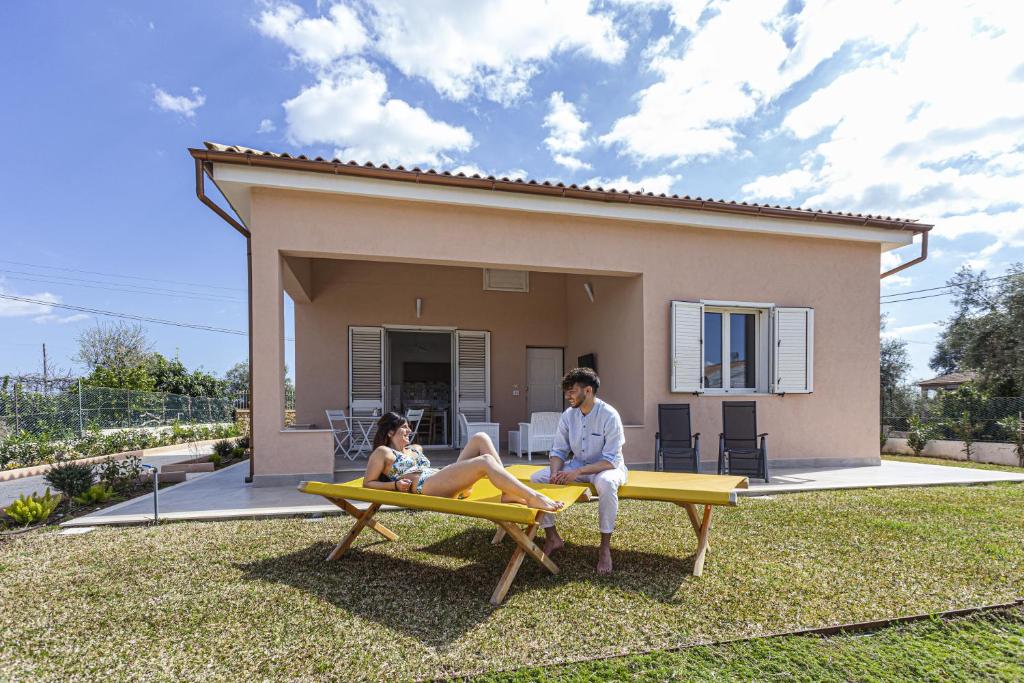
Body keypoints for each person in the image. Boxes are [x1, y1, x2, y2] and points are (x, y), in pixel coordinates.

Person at [363, 412, 565, 512]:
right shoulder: (383, 452)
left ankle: (508, 493)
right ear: (390, 432)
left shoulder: (416, 448)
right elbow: (368, 483)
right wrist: (395, 485)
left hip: (441, 478)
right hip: (427, 485)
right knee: (485, 461)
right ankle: (532, 497)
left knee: (480, 437)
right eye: (404, 427)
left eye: (408, 427)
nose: (409, 430)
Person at [530, 367, 628, 574]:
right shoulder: (568, 416)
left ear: (588, 390)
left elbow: (611, 460)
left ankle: (604, 548)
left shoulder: (610, 415)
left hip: (607, 468)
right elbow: (558, 450)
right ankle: (552, 537)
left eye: (572, 391)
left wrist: (577, 473)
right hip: (577, 465)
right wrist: (555, 473)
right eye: (566, 391)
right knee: (538, 478)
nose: (568, 396)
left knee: (607, 484)